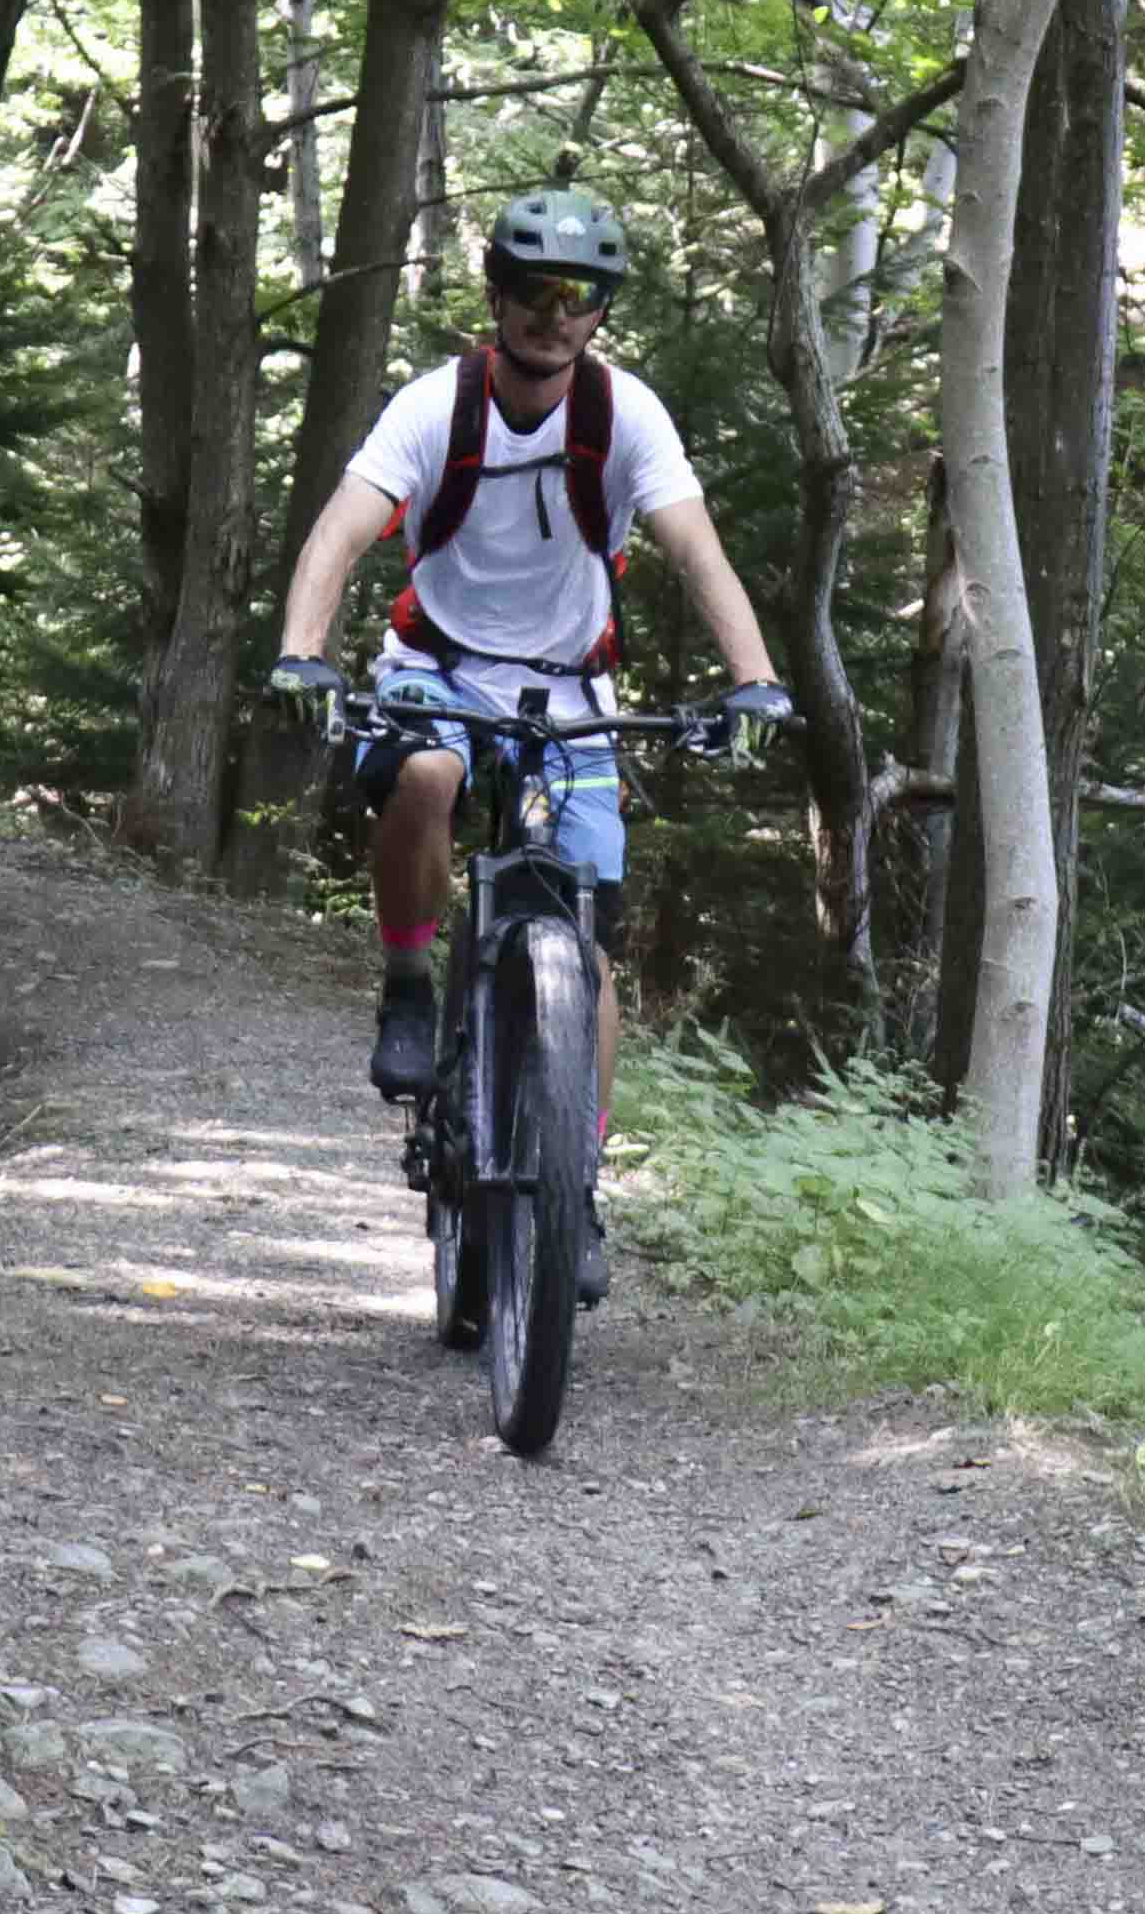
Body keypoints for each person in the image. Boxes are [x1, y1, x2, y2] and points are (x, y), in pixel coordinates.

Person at [267, 187, 793, 1290]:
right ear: (498, 297)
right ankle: (409, 981)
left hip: (569, 691)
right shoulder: (437, 407)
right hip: (440, 666)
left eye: (581, 296)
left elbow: (696, 550)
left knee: (584, 935)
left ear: (602, 310)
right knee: (425, 772)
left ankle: (574, 1181)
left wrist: (754, 680)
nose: (558, 315)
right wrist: (304, 652)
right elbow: (340, 532)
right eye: (537, 292)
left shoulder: (624, 415)